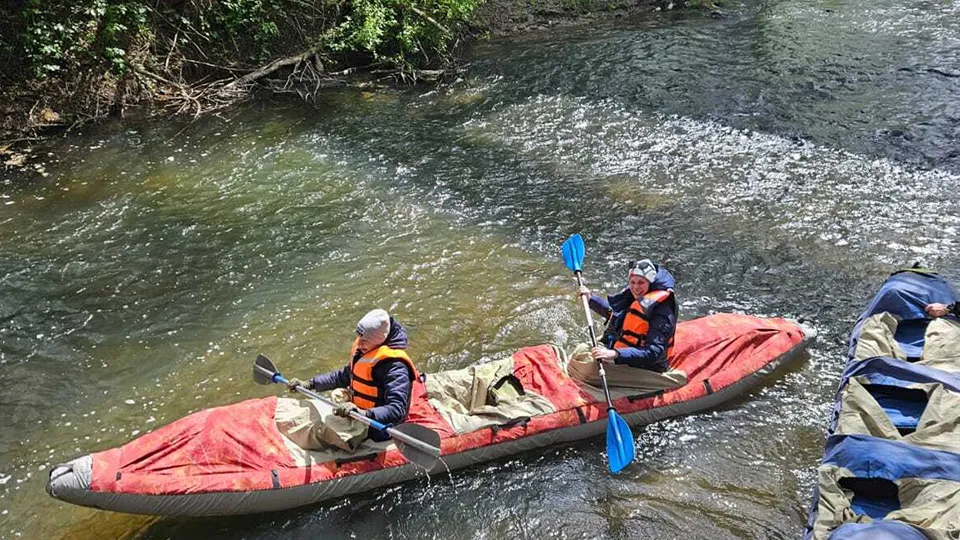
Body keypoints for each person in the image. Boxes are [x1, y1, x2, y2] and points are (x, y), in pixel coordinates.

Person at [285, 308, 417, 442]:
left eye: (365, 340)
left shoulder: (395, 367)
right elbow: (342, 376)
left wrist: (363, 414)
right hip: (360, 412)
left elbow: (396, 410)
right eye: (359, 337)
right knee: (335, 396)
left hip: (379, 425)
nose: (359, 344)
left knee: (320, 434)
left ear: (379, 340)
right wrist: (309, 384)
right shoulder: (366, 349)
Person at [578, 259, 678, 373]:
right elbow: (615, 314)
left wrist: (615, 354)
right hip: (620, 350)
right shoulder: (633, 295)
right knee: (581, 350)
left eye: (641, 282)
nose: (636, 287)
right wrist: (591, 298)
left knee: (590, 369)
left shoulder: (663, 310)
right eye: (633, 282)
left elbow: (654, 352)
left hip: (648, 367)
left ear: (650, 283)